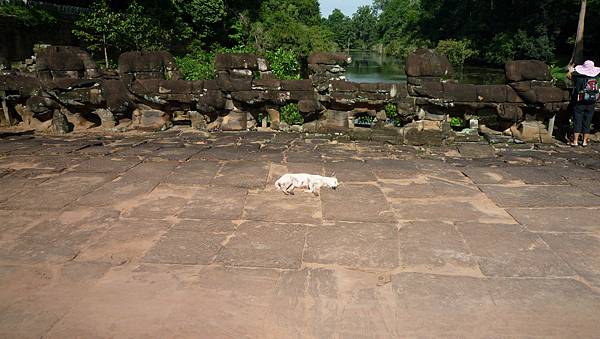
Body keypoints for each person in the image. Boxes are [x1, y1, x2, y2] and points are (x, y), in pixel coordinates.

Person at [569, 60, 600, 146]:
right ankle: (585, 141)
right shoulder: (596, 77)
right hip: (591, 101)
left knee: (577, 120)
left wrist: (570, 70)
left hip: (580, 101)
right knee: (588, 121)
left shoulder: (578, 78)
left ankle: (575, 141)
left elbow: (569, 76)